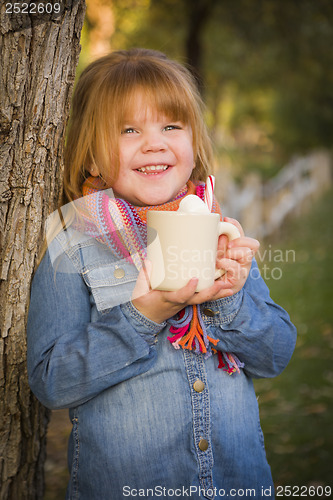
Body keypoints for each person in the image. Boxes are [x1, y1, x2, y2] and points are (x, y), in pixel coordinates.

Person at [27, 48, 296, 500]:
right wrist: (141, 315)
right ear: (92, 157)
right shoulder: (71, 243)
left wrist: (230, 299)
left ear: (193, 149)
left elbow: (276, 355)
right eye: (128, 130)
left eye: (171, 126)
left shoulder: (218, 232)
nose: (154, 142)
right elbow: (52, 381)